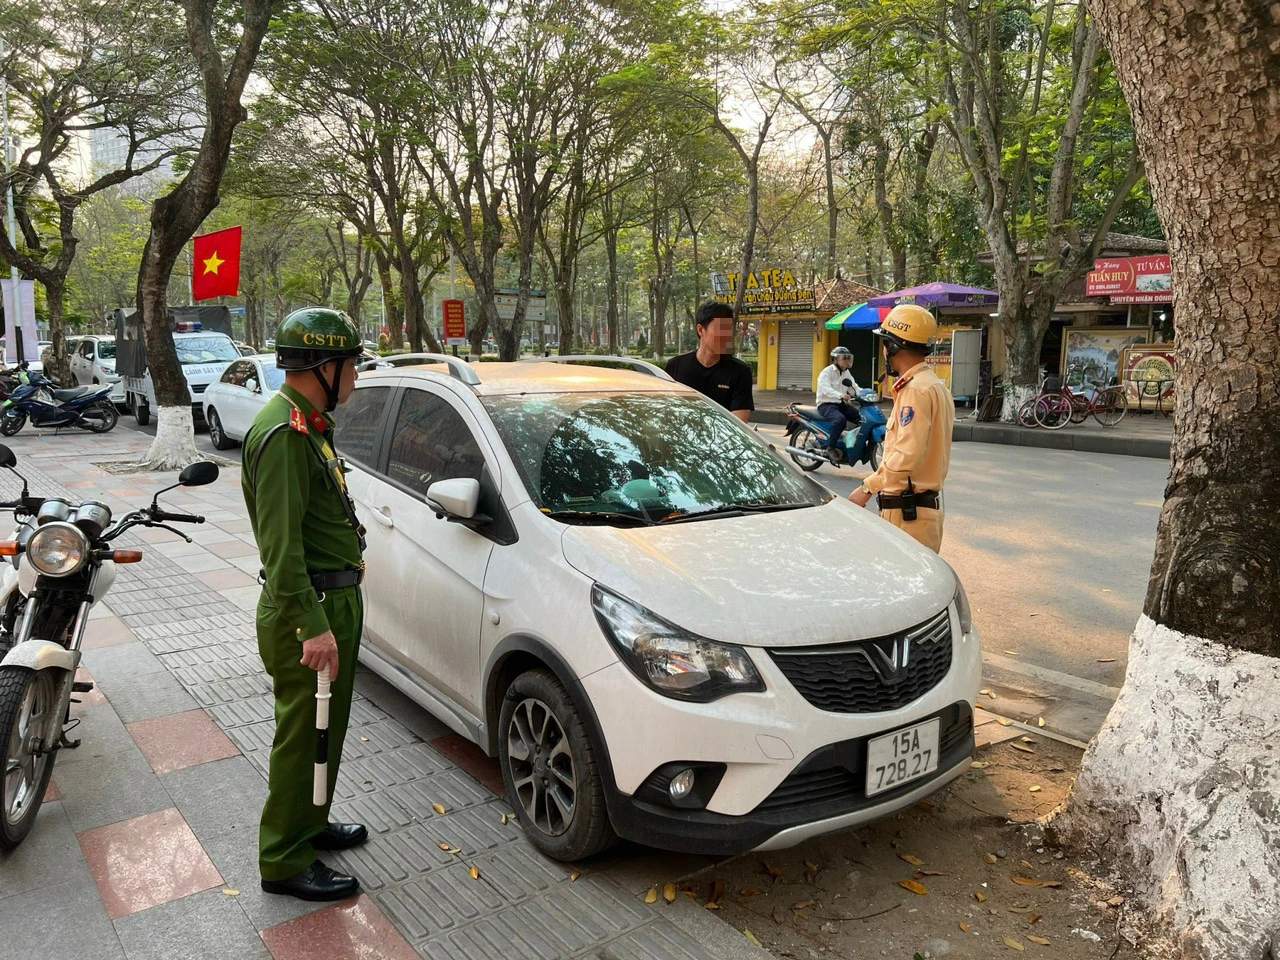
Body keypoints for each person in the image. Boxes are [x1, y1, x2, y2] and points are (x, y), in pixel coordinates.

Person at [242, 307, 369, 901]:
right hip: (307, 609)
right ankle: (284, 857)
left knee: (326, 726)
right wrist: (313, 625)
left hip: (329, 599)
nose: (356, 378)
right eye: (352, 366)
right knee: (302, 736)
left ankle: (310, 823)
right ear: (325, 365)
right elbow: (281, 548)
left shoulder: (308, 423)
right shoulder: (286, 435)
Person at [848, 304, 953, 552]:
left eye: (885, 344)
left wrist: (866, 488)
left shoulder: (915, 391)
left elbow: (906, 456)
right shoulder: (934, 385)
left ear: (893, 346)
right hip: (921, 513)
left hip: (908, 515)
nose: (884, 351)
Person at [665, 301, 754, 422]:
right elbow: (667, 413)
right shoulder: (676, 366)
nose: (727, 336)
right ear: (701, 330)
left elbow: (739, 424)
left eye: (729, 329)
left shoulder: (740, 372)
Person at [815, 346, 862, 462]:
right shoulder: (826, 372)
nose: (846, 361)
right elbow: (825, 389)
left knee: (861, 418)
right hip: (826, 404)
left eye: (848, 359)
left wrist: (864, 394)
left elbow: (853, 387)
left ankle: (850, 443)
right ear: (835, 360)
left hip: (840, 404)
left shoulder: (846, 373)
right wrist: (840, 395)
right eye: (843, 359)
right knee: (840, 420)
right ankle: (830, 447)